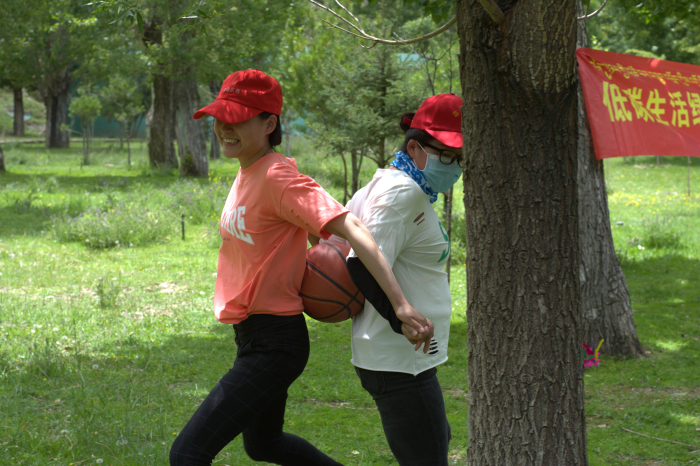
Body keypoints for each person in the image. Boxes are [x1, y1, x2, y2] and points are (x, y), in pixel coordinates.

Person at [169, 69, 433, 466]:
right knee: (264, 445)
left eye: (237, 118)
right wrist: (313, 248)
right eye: (220, 117)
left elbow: (352, 228)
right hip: (252, 335)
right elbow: (305, 233)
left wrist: (400, 305)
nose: (224, 127)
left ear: (269, 124)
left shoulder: (277, 175)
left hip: (276, 342)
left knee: (187, 454)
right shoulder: (248, 170)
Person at [332, 94, 464, 466]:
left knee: (433, 444)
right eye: (446, 155)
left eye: (461, 158)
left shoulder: (394, 186)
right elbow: (360, 263)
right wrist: (400, 319)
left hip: (405, 358)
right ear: (414, 147)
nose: (454, 167)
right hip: (401, 360)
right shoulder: (401, 193)